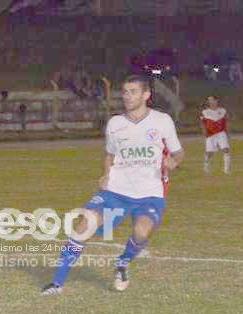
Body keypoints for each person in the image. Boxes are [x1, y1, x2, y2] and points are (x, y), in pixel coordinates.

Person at [41, 75, 184, 294]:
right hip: (116, 191)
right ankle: (57, 283)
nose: (127, 96)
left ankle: (123, 263)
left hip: (150, 193)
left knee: (142, 232)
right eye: (125, 92)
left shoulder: (162, 121)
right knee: (84, 225)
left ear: (146, 95)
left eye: (133, 92)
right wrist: (106, 174)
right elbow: (110, 153)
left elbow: (179, 152)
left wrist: (174, 161)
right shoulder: (115, 123)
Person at [200, 96, 231, 174]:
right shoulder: (205, 112)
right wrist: (204, 132)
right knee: (209, 153)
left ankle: (227, 170)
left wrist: (228, 133)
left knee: (226, 150)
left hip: (221, 133)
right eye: (209, 100)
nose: (211, 102)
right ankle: (206, 168)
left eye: (212, 100)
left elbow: (227, 121)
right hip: (210, 134)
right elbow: (202, 123)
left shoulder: (223, 111)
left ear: (217, 101)